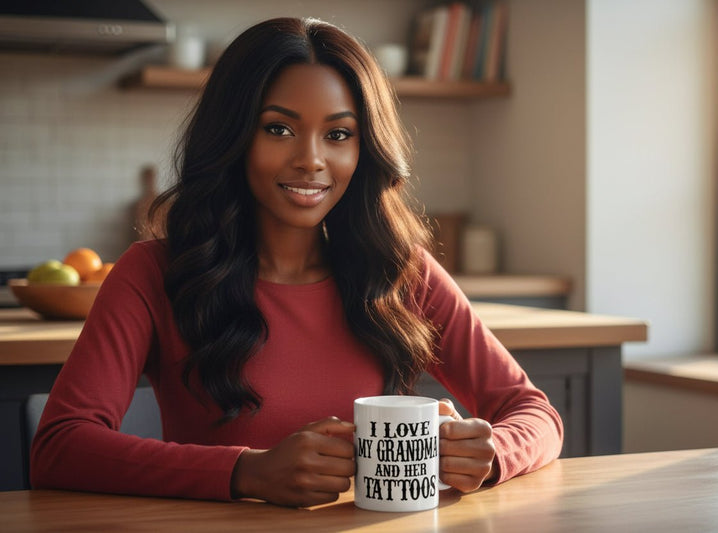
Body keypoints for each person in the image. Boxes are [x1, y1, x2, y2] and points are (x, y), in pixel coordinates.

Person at [30, 17, 563, 507]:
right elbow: (59, 447)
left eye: (339, 135)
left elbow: (536, 414)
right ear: (233, 136)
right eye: (278, 129)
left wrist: (488, 454)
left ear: (364, 150)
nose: (311, 159)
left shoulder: (401, 272)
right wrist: (247, 472)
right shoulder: (153, 273)